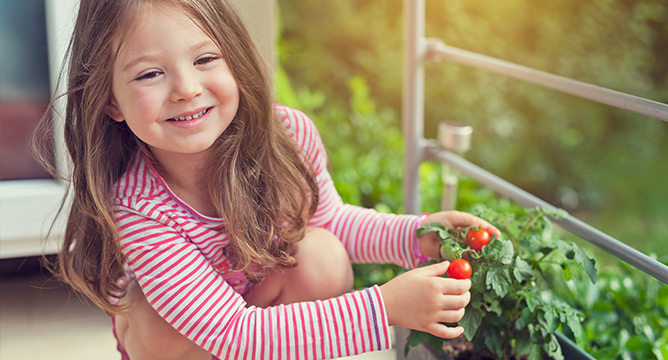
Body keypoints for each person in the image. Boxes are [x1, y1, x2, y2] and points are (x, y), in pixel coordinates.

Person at [32, 0, 501, 359]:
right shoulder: (138, 208)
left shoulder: (287, 136)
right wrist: (383, 311)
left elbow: (332, 222)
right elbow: (232, 331)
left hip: (252, 309)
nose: (186, 89)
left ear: (234, 59)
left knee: (322, 254)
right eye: (151, 73)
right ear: (110, 101)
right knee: (157, 322)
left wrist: (418, 237)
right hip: (190, 338)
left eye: (205, 59)